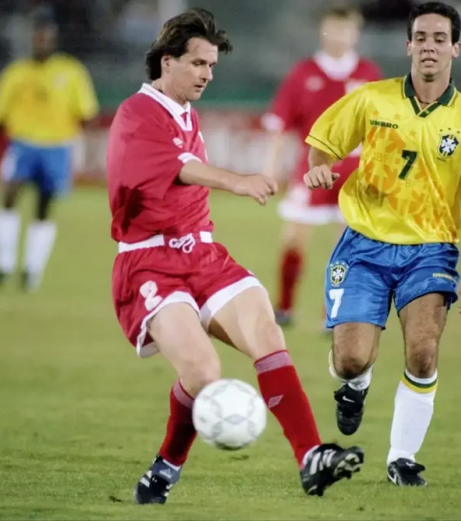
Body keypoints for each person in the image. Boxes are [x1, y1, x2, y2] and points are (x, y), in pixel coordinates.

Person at [106, 8, 365, 505]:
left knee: (267, 331)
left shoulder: (187, 113)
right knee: (202, 373)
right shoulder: (136, 114)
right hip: (149, 262)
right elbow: (182, 169)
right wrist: (239, 181)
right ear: (167, 61)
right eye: (199, 63)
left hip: (202, 255)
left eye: (212, 66)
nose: (207, 74)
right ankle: (165, 467)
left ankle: (311, 457)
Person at [302, 1, 461, 486]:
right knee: (351, 357)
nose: (429, 47)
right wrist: (319, 164)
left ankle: (401, 458)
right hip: (364, 245)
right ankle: (354, 384)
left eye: (440, 39)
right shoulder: (372, 99)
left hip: (431, 249)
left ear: (456, 49)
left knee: (423, 351)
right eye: (421, 37)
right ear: (408, 46)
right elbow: (324, 140)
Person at [261, 4, 382, 328]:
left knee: (344, 246)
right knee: (292, 240)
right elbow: (281, 127)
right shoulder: (303, 73)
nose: (341, 36)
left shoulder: (370, 74)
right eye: (335, 29)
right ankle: (284, 308)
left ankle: (334, 312)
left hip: (355, 174)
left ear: (356, 33)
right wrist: (271, 169)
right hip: (311, 170)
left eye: (347, 29)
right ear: (323, 31)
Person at [0, 16, 98, 292]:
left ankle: (32, 270)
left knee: (44, 207)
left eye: (46, 37)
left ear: (54, 40)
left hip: (57, 147)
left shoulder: (71, 72)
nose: (42, 42)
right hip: (23, 144)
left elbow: (85, 114)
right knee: (9, 194)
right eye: (38, 37)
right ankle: (4, 263)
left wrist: (85, 149)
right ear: (32, 39)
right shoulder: (16, 72)